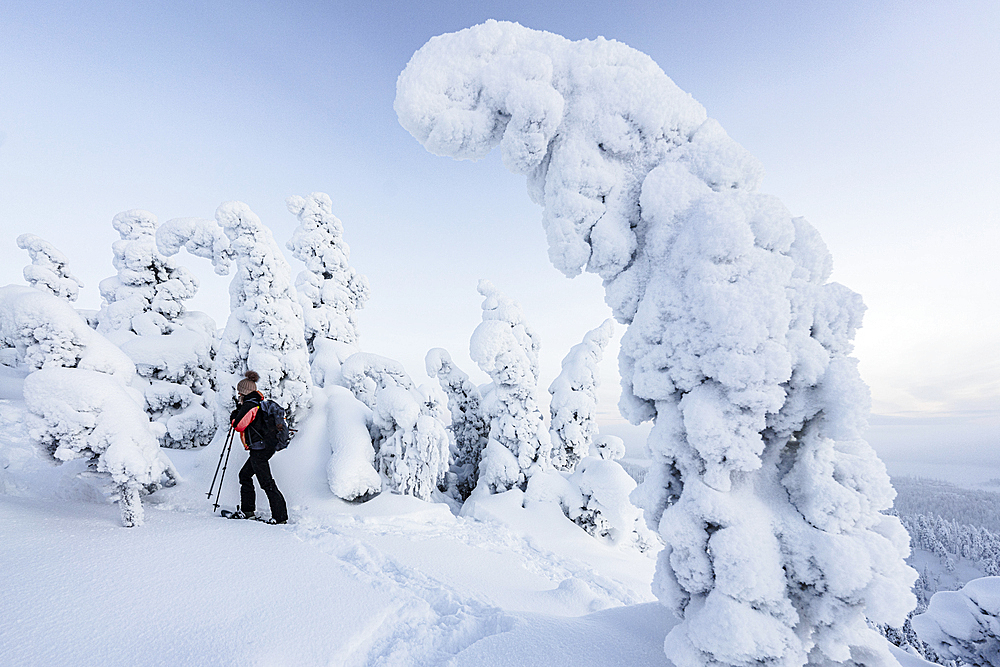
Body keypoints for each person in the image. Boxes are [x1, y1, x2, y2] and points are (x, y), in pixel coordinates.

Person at [228, 371, 288, 524]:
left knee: (266, 482)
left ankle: (280, 517)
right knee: (245, 475)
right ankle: (247, 511)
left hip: (260, 449)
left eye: (239, 391)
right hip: (263, 447)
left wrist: (234, 415)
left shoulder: (250, 404)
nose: (238, 394)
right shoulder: (257, 403)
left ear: (243, 392)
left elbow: (239, 425)